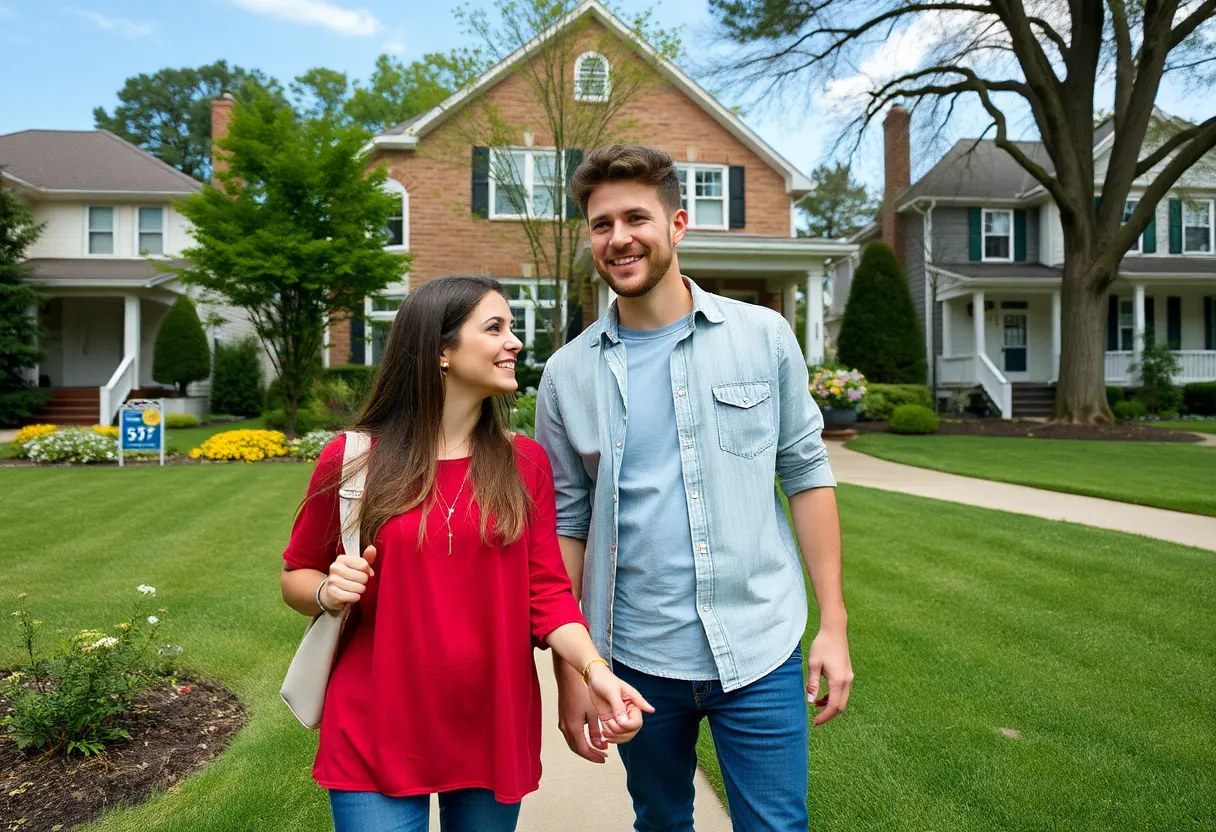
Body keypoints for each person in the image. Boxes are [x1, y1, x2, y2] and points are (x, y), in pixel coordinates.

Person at [535, 146, 853, 832]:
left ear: (678, 224)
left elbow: (806, 472)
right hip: (635, 658)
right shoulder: (565, 376)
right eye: (600, 224)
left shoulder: (763, 337)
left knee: (775, 826)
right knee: (660, 821)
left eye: (635, 218)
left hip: (759, 646)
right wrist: (571, 671)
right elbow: (569, 521)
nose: (618, 238)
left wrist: (833, 623)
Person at [280, 275, 653, 832]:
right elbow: (295, 574)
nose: (515, 342)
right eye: (495, 328)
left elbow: (548, 593)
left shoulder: (525, 464)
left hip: (491, 724)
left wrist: (594, 670)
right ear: (441, 352)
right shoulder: (353, 459)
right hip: (375, 722)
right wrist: (325, 591)